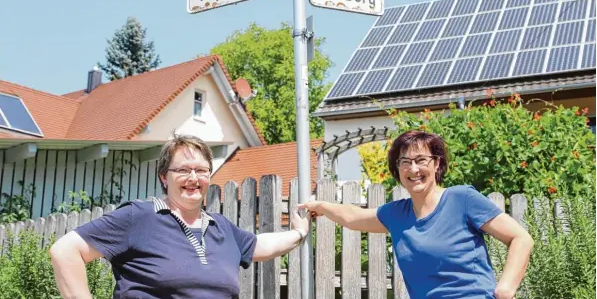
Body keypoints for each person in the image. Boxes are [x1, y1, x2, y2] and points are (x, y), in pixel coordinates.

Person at [50, 134, 310, 299]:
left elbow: (262, 244)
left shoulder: (221, 228)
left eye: (201, 170)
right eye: (183, 170)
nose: (194, 178)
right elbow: (65, 250)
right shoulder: (139, 217)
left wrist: (298, 233)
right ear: (164, 176)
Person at [299, 130, 534, 299]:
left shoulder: (461, 199)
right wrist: (320, 206)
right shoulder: (397, 215)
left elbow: (521, 238)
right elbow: (352, 217)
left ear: (436, 164)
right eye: (405, 162)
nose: (413, 169)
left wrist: (505, 290)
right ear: (397, 168)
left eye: (421, 160)